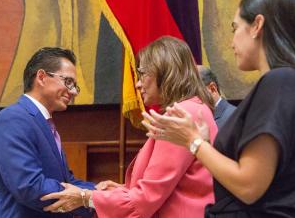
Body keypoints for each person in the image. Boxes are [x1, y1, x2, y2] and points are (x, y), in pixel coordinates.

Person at [141, 0, 295, 217]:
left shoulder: (280, 81)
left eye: (235, 28)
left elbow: (248, 186)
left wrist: (193, 142)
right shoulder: (290, 83)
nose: (231, 43)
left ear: (257, 25)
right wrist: (204, 142)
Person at [40, 36, 217, 218]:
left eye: (142, 74)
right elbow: (171, 188)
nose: (138, 84)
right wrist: (122, 190)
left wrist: (86, 197)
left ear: (165, 72)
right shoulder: (196, 109)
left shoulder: (180, 116)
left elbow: (144, 201)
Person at [0, 47, 95, 218]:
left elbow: (67, 183)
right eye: (68, 82)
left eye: (75, 86)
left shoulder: (43, 123)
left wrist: (102, 193)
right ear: (42, 77)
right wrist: (90, 199)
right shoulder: (13, 119)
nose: (73, 92)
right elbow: (30, 187)